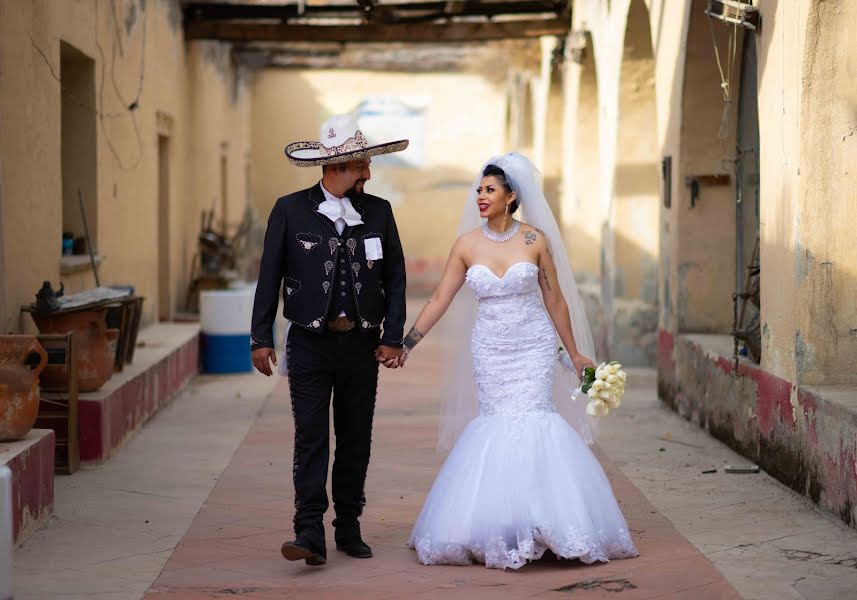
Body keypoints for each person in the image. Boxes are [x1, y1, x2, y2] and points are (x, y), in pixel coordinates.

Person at [398, 153, 639, 570]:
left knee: (534, 419)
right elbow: (440, 298)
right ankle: (499, 524)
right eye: (479, 190)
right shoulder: (466, 245)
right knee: (496, 421)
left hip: (533, 346)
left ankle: (548, 524)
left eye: (490, 190)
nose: (481, 196)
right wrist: (407, 343)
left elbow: (555, 299)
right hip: (490, 349)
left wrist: (576, 351)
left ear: (512, 196)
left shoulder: (535, 241)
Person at [250, 114, 408, 566]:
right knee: (311, 436)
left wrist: (393, 336)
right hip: (308, 344)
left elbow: (395, 278)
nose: (369, 174)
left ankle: (349, 526)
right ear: (338, 167)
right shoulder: (290, 208)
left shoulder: (379, 211)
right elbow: (269, 277)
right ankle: (308, 530)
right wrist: (261, 337)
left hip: (361, 344)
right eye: (362, 165)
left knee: (356, 437)